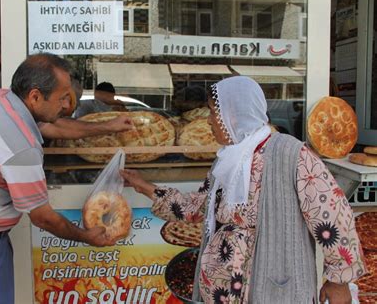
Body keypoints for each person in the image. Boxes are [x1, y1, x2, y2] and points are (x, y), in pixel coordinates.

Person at [120, 76, 367, 304]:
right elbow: (199, 206)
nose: (208, 120)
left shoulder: (290, 154)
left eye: (214, 112)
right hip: (224, 292)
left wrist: (338, 281)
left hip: (273, 289)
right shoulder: (227, 160)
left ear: (234, 115)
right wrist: (146, 187)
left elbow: (332, 214)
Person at [0, 53, 117, 304]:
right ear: (35, 96)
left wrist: (109, 126)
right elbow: (43, 217)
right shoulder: (20, 145)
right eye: (62, 97)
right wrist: (86, 237)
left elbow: (55, 127)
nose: (67, 105)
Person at [39, 79, 133, 141]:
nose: (67, 105)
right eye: (67, 99)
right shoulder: (42, 121)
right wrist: (109, 126)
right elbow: (57, 127)